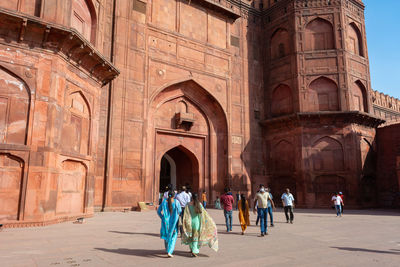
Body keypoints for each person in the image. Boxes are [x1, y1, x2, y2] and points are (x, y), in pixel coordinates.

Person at [157, 190, 182, 258]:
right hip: (174, 223)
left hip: (166, 223)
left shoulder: (164, 202)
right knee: (173, 237)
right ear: (174, 196)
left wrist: (162, 217)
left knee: (166, 236)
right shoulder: (176, 202)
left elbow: (158, 211)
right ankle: (169, 251)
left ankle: (167, 249)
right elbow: (180, 211)